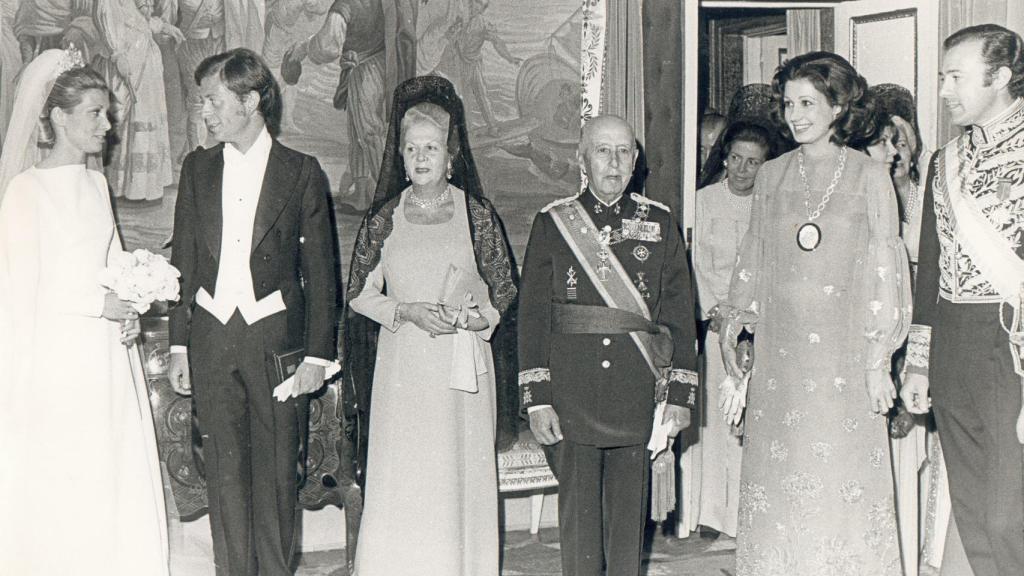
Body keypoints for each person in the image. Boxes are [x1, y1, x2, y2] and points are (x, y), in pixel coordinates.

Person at [718, 51, 911, 575]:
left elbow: (884, 271)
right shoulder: (773, 174)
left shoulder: (872, 176)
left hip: (844, 360)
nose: (795, 114)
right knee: (781, 477)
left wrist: (878, 361)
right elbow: (753, 258)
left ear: (838, 105)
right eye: (788, 104)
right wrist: (739, 332)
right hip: (781, 358)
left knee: (839, 478)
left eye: (808, 102)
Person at [166, 48, 337, 576]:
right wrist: (178, 343)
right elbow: (185, 262)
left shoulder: (302, 172)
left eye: (214, 101)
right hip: (213, 343)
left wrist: (317, 356)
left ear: (251, 99)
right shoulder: (197, 167)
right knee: (224, 480)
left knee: (277, 481)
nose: (206, 114)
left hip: (277, 348)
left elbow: (323, 274)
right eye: (202, 104)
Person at [0, 49, 168, 575]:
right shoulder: (25, 192)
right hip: (57, 359)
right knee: (67, 469)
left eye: (108, 112)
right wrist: (99, 303)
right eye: (95, 113)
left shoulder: (96, 185)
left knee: (108, 467)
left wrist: (133, 302)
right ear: (57, 118)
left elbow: (112, 263)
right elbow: (20, 288)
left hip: (106, 355)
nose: (108, 124)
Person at [342, 74, 518, 575]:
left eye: (432, 148)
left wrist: (474, 318)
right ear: (400, 155)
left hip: (462, 369)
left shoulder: (477, 214)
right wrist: (406, 311)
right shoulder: (384, 218)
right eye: (412, 148)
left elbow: (502, 290)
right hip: (404, 367)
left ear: (451, 155)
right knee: (409, 471)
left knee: (456, 471)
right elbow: (357, 293)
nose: (421, 158)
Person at [519, 114, 699, 576]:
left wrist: (679, 396)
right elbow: (533, 318)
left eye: (623, 152)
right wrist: (537, 400)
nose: (614, 162)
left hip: (635, 390)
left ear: (635, 160)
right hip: (572, 392)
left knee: (626, 526)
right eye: (602, 150)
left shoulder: (659, 223)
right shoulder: (553, 223)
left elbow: (678, 313)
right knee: (578, 525)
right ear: (583, 159)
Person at [901, 24, 1024, 576]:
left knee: (1006, 516)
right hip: (954, 350)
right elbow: (929, 273)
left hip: (1013, 349)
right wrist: (920, 364)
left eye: (956, 76)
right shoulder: (942, 164)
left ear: (999, 78)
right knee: (973, 509)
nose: (944, 89)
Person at [692, 120, 778, 539]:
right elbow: (698, 265)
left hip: (760, 327)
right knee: (718, 418)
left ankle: (752, 514)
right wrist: (719, 315)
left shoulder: (773, 205)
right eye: (737, 160)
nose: (744, 170)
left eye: (754, 163)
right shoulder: (703, 202)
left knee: (754, 419)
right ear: (724, 159)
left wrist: (754, 320)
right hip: (717, 326)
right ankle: (714, 513)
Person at [283, 0, 389, 213]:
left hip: (364, 70)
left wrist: (303, 48)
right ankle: (361, 193)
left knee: (368, 133)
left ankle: (384, 195)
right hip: (377, 63)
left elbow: (328, 47)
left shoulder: (345, 6)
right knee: (359, 132)